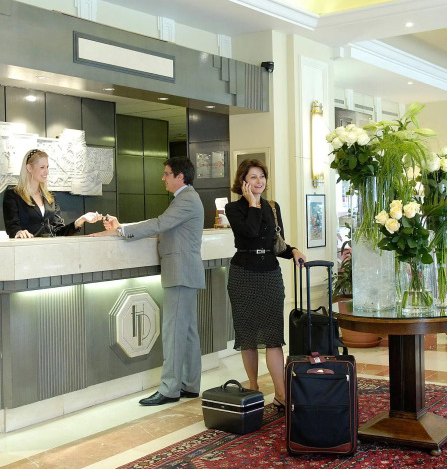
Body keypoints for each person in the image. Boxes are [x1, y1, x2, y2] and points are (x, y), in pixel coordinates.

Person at [96, 156, 205, 406]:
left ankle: (170, 389)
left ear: (180, 176)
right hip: (185, 273)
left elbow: (160, 224)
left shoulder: (186, 199)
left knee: (174, 332)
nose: (163, 178)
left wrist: (122, 230)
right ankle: (189, 384)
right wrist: (122, 226)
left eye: (167, 173)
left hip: (180, 273)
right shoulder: (187, 198)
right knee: (187, 332)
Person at [224, 159, 307, 412]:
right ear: (243, 181)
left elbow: (276, 243)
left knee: (273, 336)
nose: (259, 181)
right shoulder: (233, 208)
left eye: (262, 176)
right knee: (248, 336)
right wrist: (252, 204)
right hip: (243, 274)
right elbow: (249, 232)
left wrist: (293, 250)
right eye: (253, 177)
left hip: (270, 273)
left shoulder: (273, 206)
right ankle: (253, 387)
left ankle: (281, 394)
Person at [3, 149, 101, 238]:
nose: (46, 171)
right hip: (27, 249)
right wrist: (18, 232)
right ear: (29, 168)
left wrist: (80, 220)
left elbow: (59, 231)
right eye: (42, 167)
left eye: (47, 167)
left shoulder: (50, 197)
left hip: (51, 249)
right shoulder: (12, 195)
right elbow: (12, 228)